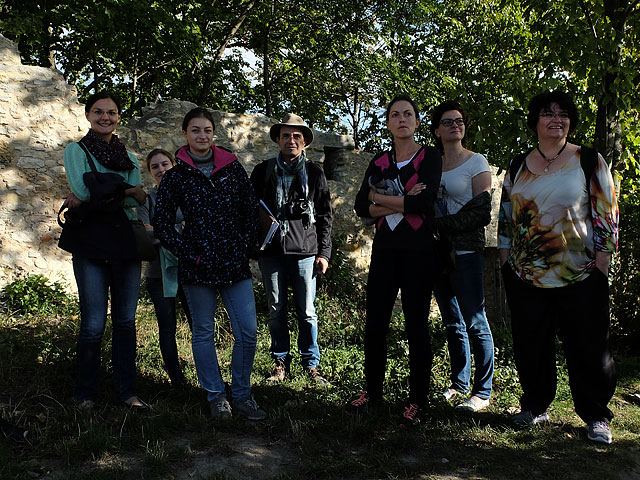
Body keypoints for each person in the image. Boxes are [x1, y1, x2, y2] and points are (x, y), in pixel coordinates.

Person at [498, 90, 618, 444]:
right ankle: (535, 406)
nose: (557, 119)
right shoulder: (518, 164)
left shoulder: (588, 160)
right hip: (526, 275)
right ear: (535, 120)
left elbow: (607, 214)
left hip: (580, 273)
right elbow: (507, 215)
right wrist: (506, 258)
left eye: (563, 114)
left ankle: (596, 416)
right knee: (531, 345)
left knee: (589, 347)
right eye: (548, 113)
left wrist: (602, 264)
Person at [153, 107, 266, 420]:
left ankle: (242, 394)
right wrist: (189, 252)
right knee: (203, 332)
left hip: (233, 264)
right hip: (198, 267)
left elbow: (249, 209)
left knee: (247, 331)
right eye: (195, 131)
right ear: (185, 134)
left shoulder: (232, 168)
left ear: (213, 134)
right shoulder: (175, 176)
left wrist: (244, 247)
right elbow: (162, 223)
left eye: (206, 130)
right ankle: (216, 397)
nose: (201, 136)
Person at [348, 94, 442, 425]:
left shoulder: (430, 157)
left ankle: (418, 400)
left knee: (416, 325)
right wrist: (400, 199)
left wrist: (379, 198)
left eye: (408, 114)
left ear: (416, 122)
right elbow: (360, 206)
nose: (401, 119)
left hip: (418, 251)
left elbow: (424, 206)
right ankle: (371, 392)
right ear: (388, 123)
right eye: (395, 115)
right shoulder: (379, 162)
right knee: (375, 324)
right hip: (385, 251)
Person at [60, 91, 149, 410]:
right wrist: (123, 190)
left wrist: (105, 189)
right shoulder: (76, 150)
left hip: (125, 241)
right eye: (98, 112)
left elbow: (132, 197)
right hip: (90, 240)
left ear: (118, 117)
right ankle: (86, 394)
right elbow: (84, 190)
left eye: (111, 112)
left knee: (125, 321)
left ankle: (127, 392)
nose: (105, 117)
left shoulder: (132, 159)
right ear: (87, 115)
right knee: (94, 323)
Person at [250, 113, 333, 386]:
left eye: (297, 136)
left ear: (305, 142)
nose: (291, 140)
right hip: (271, 252)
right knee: (276, 310)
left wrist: (324, 252)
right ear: (277, 139)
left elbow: (324, 215)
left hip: (305, 252)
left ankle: (311, 363)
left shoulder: (314, 173)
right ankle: (280, 361)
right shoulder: (263, 171)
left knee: (307, 312)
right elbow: (251, 211)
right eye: (286, 135)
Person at [429, 101, 494, 412]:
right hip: (439, 253)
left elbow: (481, 213)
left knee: (475, 321)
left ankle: (482, 392)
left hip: (467, 251)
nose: (455, 125)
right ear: (437, 129)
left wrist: (439, 225)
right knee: (452, 322)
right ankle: (458, 383)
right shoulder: (431, 163)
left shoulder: (476, 162)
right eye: (448, 121)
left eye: (459, 121)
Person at [137, 148, 192, 387]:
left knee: (199, 326)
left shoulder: (189, 196)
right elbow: (143, 236)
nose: (161, 170)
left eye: (165, 164)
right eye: (155, 167)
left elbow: (198, 230)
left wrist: (159, 230)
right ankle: (177, 381)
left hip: (190, 270)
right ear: (150, 172)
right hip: (158, 274)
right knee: (167, 328)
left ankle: (209, 376)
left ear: (174, 166)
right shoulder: (146, 200)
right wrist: (178, 227)